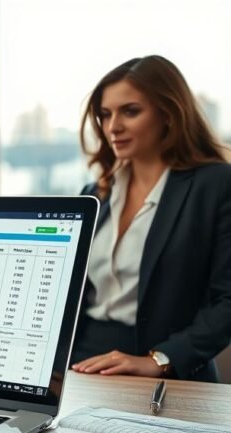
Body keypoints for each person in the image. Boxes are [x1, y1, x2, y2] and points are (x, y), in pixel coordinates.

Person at [70, 55, 231, 382]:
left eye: (130, 111)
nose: (113, 127)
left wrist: (159, 360)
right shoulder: (95, 193)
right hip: (83, 364)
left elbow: (227, 301)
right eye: (105, 114)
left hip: (165, 368)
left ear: (168, 114)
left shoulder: (215, 185)